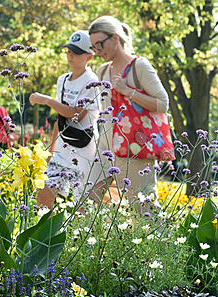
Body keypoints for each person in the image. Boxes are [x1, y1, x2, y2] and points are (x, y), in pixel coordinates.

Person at [88, 16, 169, 202]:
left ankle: (154, 232)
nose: (97, 51)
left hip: (136, 146)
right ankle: (107, 231)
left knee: (142, 205)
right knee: (90, 197)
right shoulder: (102, 71)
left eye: (99, 44)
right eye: (94, 47)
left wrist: (127, 91)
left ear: (115, 38)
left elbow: (163, 103)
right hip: (106, 146)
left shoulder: (139, 66)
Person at [29, 30, 102, 209]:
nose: (71, 56)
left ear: (89, 56)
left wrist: (47, 100)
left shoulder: (92, 81)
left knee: (82, 203)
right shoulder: (62, 80)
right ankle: (45, 235)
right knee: (44, 195)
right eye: (69, 51)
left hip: (84, 151)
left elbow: (78, 114)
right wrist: (50, 150)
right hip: (62, 147)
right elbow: (60, 117)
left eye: (76, 52)